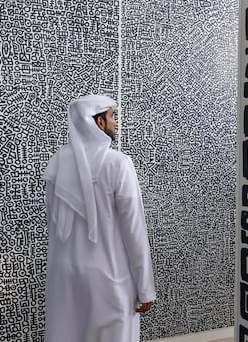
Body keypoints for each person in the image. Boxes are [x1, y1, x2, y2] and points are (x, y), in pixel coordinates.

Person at [44, 94, 156, 342]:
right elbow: (134, 230)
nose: (115, 122)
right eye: (111, 116)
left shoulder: (56, 165)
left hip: (65, 277)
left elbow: (54, 226)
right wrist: (145, 288)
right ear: (98, 123)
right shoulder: (118, 164)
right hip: (110, 279)